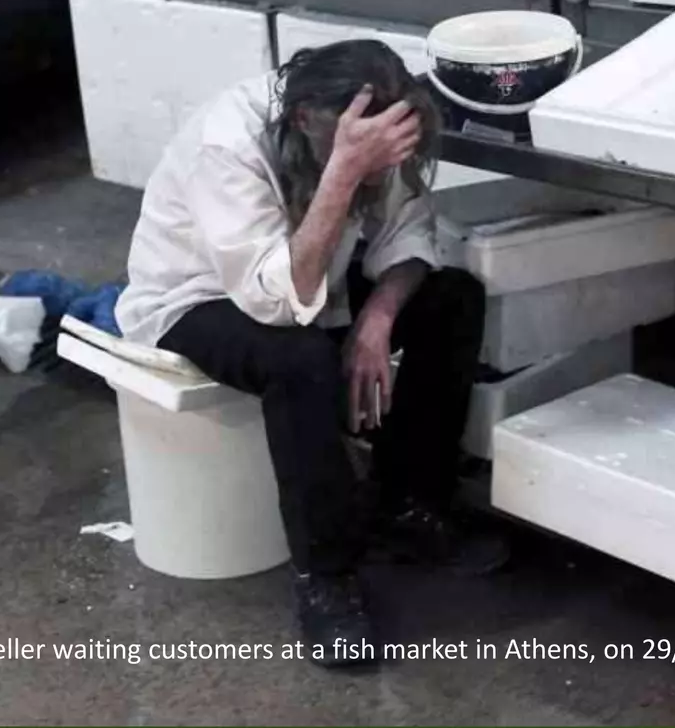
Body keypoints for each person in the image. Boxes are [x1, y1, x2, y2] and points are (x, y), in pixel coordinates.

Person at [117, 40, 507, 662]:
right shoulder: (228, 146)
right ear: (303, 121)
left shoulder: (378, 122)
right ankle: (325, 577)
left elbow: (408, 234)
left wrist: (375, 322)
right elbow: (273, 299)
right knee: (300, 360)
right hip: (203, 295)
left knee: (452, 297)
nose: (379, 174)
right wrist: (345, 171)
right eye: (360, 156)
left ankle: (407, 502)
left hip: (312, 277)